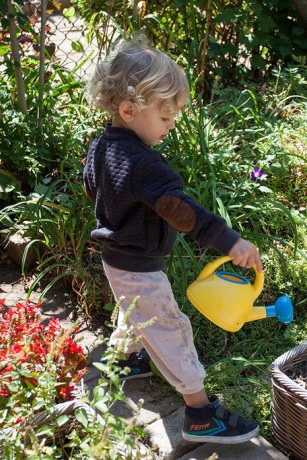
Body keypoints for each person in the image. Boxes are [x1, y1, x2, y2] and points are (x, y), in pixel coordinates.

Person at [83, 35, 263, 445]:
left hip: (116, 259)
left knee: (133, 312)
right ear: (129, 110)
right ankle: (199, 412)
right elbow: (182, 212)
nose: (171, 125)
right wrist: (229, 240)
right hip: (140, 267)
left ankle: (127, 361)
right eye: (166, 118)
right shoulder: (145, 165)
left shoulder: (100, 147)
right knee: (169, 328)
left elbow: (92, 186)